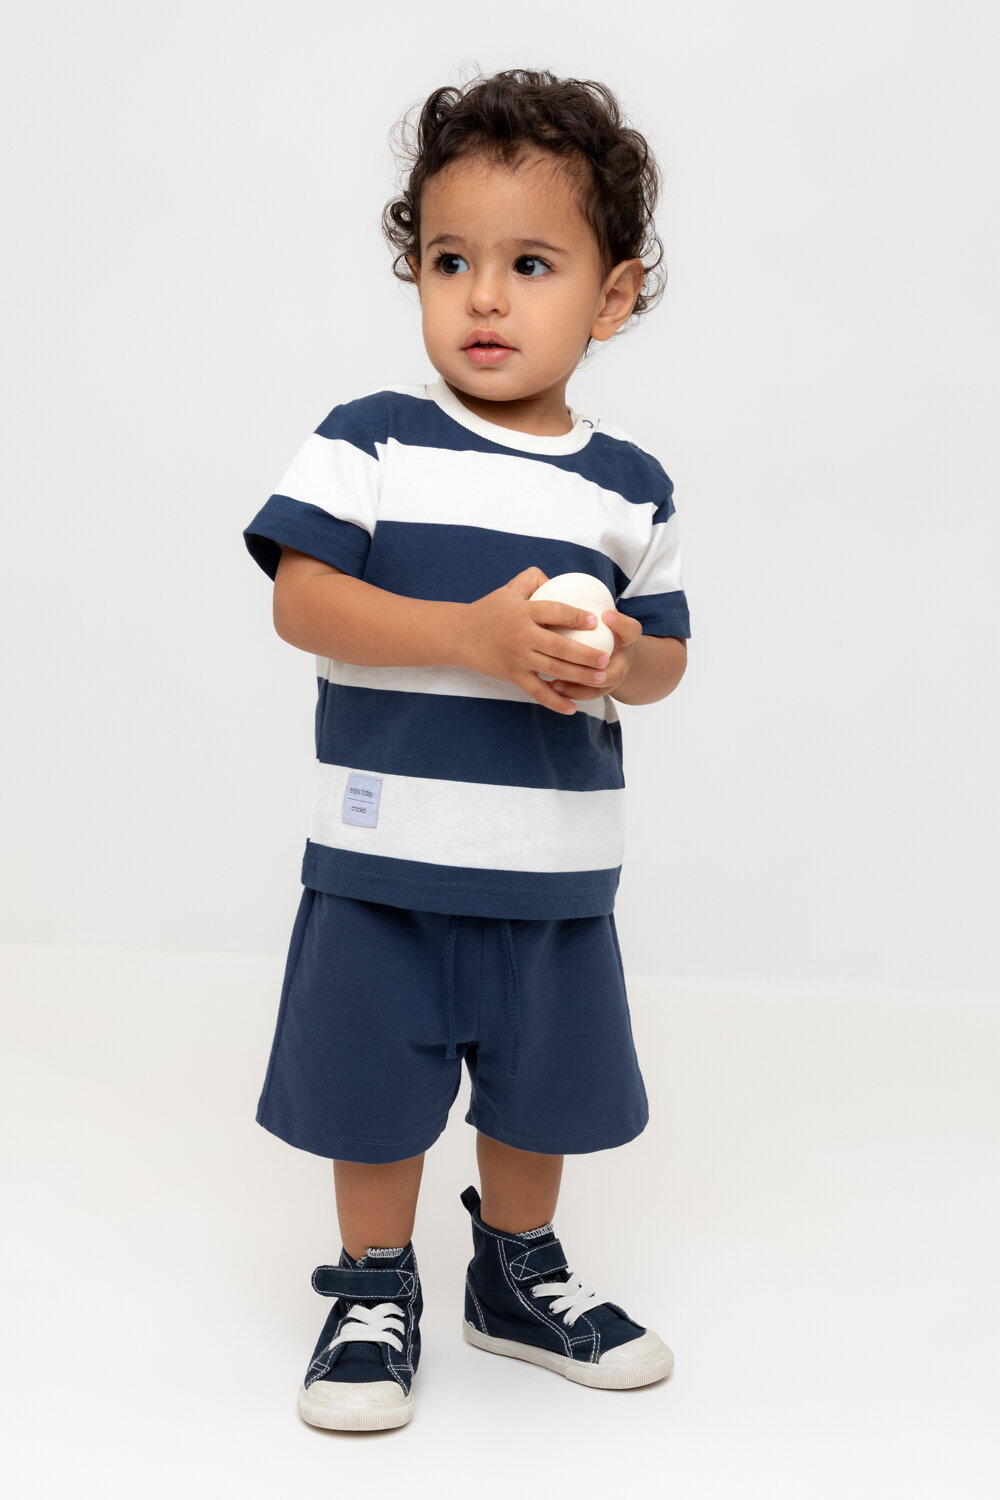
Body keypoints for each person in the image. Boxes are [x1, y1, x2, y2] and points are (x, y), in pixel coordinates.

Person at [243, 67, 691, 1432]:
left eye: (530, 264)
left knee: (542, 1085)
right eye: (452, 261)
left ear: (612, 297)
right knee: (370, 1088)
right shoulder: (370, 442)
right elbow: (302, 601)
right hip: (384, 858)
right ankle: (374, 1286)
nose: (484, 297)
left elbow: (667, 663)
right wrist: (472, 640)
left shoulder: (628, 488)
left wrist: (619, 655)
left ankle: (515, 1272)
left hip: (551, 868)